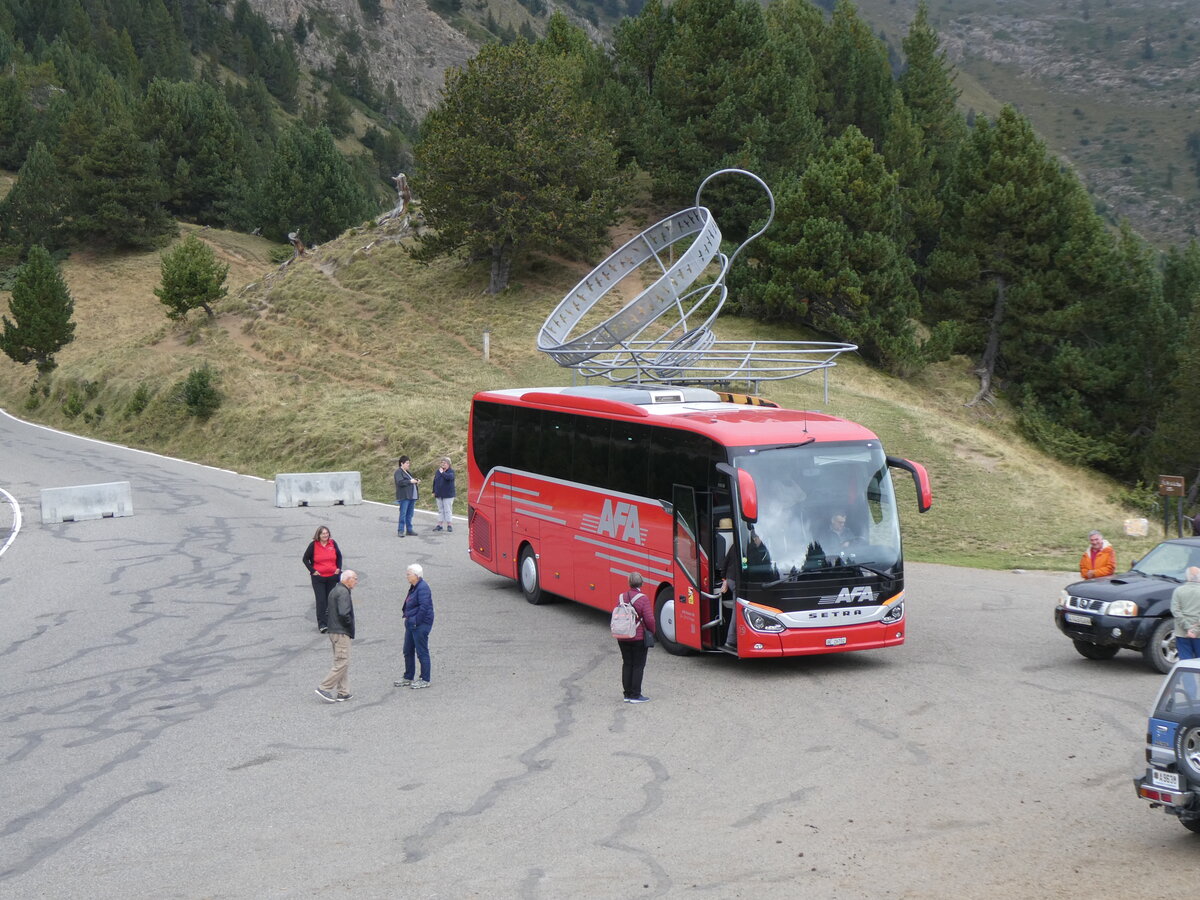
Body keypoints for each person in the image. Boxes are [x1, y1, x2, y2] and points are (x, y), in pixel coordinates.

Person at [316, 570, 358, 703]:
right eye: (355, 579)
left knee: (341, 661)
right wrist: (348, 625)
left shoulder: (335, 590)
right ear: (347, 579)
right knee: (342, 662)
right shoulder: (343, 592)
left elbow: (328, 611)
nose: (356, 581)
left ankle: (343, 692)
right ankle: (324, 687)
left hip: (334, 631)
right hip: (341, 632)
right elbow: (344, 613)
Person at [615, 572, 656, 703]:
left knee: (627, 663)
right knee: (638, 665)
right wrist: (652, 632)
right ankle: (636, 695)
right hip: (637, 637)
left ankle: (627, 694)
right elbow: (649, 619)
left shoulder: (621, 597)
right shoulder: (643, 598)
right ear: (642, 583)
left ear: (629, 583)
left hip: (622, 635)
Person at [396, 563, 434, 689]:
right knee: (408, 650)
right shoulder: (415, 586)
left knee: (422, 652)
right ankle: (408, 676)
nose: (406, 576)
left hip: (420, 624)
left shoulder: (422, 588)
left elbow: (424, 607)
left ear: (416, 576)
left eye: (409, 574)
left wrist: (416, 621)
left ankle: (425, 678)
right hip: (412, 623)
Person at [301, 525, 342, 633]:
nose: (325, 535)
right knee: (321, 601)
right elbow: (305, 559)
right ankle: (322, 624)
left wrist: (338, 568)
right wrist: (313, 571)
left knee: (331, 600)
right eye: (323, 533)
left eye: (327, 533)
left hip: (332, 577)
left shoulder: (332, 543)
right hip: (319, 578)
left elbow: (339, 556)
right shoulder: (313, 545)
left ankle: (332, 623)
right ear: (318, 535)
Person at [1171, 566, 1200, 661]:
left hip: (1182, 632)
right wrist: (1195, 630)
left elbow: (1175, 611)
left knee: (1185, 661)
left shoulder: (1178, 590)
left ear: (1187, 577)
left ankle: (1188, 677)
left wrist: (1188, 628)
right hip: (1198, 633)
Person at [394, 455, 419, 536]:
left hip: (411, 496)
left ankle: (409, 530)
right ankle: (400, 530)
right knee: (403, 514)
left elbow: (409, 480)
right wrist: (410, 481)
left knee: (410, 514)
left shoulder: (407, 472)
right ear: (402, 463)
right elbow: (400, 482)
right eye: (407, 463)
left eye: (409, 463)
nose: (409, 464)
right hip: (404, 496)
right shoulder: (398, 472)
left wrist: (416, 480)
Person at [432, 457, 456, 533]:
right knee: (440, 510)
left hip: (448, 495)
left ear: (448, 464)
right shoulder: (438, 471)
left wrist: (443, 472)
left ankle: (449, 525)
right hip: (439, 494)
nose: (443, 464)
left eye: (444, 463)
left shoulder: (451, 471)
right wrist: (433, 491)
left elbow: (449, 478)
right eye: (442, 462)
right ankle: (440, 525)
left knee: (447, 510)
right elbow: (435, 481)